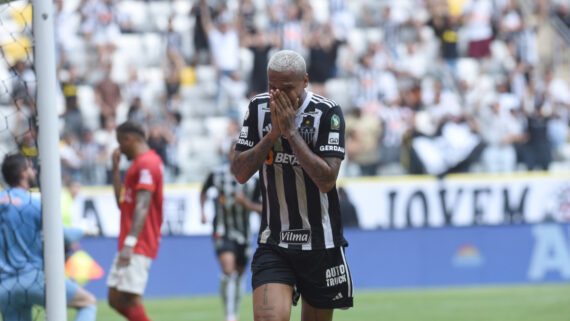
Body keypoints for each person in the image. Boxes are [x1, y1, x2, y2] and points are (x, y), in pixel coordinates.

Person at [232, 50, 354, 321]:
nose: (279, 95)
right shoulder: (258, 108)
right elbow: (240, 172)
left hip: (321, 243)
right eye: (272, 87)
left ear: (305, 81)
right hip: (274, 241)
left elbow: (326, 180)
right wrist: (273, 134)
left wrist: (290, 132)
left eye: (287, 88)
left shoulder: (327, 113)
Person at [0, 153, 97, 321]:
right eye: (31, 167)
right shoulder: (34, 204)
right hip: (33, 279)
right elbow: (63, 236)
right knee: (87, 302)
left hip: (4, 286)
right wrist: (83, 230)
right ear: (23, 173)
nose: (35, 172)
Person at [107, 121, 164, 321]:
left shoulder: (148, 163)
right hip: (131, 241)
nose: (119, 149)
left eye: (120, 143)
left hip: (139, 242)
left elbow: (143, 205)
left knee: (130, 298)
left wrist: (130, 244)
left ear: (129, 139)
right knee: (114, 298)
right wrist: (115, 170)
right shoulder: (137, 165)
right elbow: (122, 203)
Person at [200, 141, 262, 321]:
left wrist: (247, 204)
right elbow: (203, 191)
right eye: (233, 152)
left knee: (239, 274)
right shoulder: (216, 174)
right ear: (228, 155)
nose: (236, 156)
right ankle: (230, 316)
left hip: (243, 232)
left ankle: (233, 309)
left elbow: (263, 207)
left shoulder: (254, 180)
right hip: (222, 229)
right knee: (229, 270)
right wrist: (203, 212)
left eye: (240, 152)